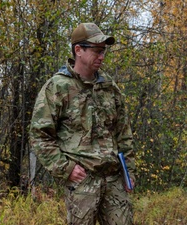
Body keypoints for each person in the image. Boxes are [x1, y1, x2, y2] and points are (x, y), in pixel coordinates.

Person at [29, 22, 136, 225]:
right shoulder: (58, 87)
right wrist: (66, 168)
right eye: (96, 50)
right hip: (82, 181)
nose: (102, 56)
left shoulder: (109, 87)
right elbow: (39, 135)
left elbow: (123, 132)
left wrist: (128, 171)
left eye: (103, 51)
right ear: (78, 50)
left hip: (114, 179)